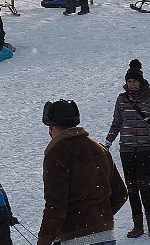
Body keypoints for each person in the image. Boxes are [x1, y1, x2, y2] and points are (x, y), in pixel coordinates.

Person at [38, 99, 128, 245]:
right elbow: (121, 194)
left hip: (75, 239)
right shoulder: (99, 149)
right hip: (106, 236)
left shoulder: (56, 153)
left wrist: (44, 239)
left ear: (51, 127)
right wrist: (98, 218)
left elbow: (56, 203)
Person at [104, 59, 150, 238]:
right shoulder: (122, 99)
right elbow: (117, 122)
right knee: (131, 186)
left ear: (141, 81)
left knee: (143, 182)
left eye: (134, 81)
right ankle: (138, 225)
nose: (132, 84)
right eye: (129, 81)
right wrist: (108, 142)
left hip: (147, 146)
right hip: (126, 146)